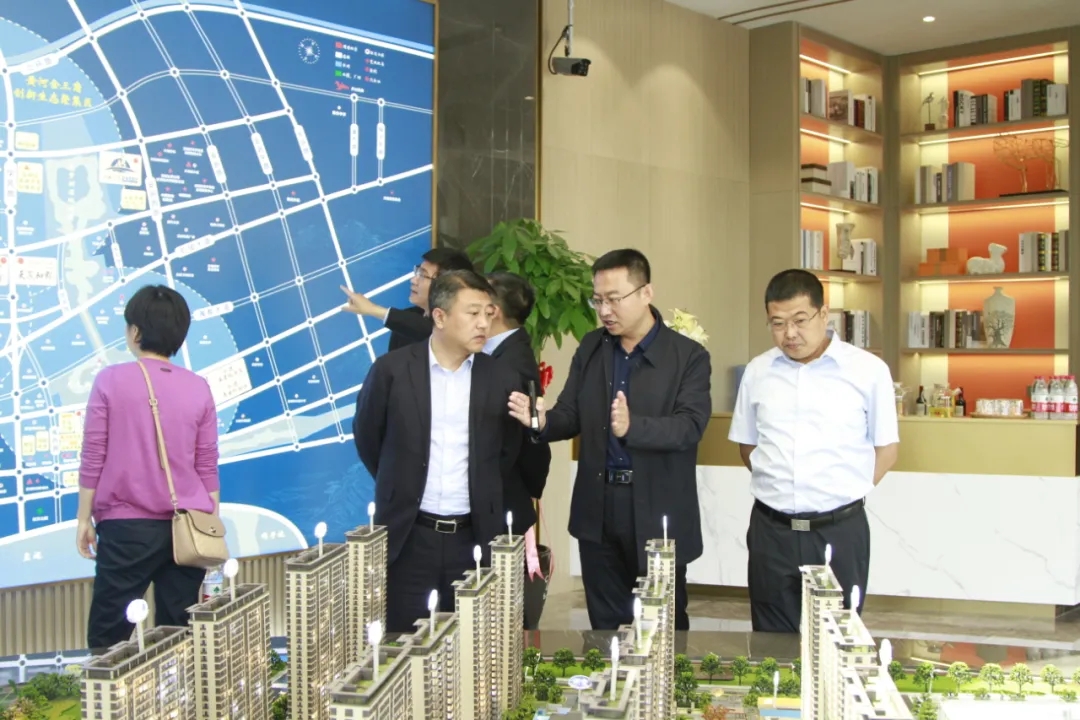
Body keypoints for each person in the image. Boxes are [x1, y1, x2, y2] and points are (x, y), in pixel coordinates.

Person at [507, 249, 712, 631]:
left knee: (662, 627)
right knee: (604, 626)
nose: (604, 310)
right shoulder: (592, 348)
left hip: (657, 510)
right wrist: (541, 421)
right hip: (599, 507)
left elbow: (690, 426)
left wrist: (634, 428)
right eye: (597, 300)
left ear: (646, 292)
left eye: (614, 299)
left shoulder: (688, 356)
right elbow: (570, 414)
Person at [353, 269, 528, 633]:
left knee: (473, 645)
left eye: (488, 313)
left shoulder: (501, 378)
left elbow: (507, 450)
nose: (484, 323)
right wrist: (398, 482)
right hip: (409, 536)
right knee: (404, 644)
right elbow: (369, 438)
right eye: (473, 313)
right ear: (440, 316)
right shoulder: (391, 371)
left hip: (474, 537)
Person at [728, 269, 899, 633]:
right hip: (771, 530)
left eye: (800, 320)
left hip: (839, 530)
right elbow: (748, 445)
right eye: (777, 323)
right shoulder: (758, 372)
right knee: (771, 643)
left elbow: (886, 449)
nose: (789, 333)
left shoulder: (868, 371)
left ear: (824, 314)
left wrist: (842, 492)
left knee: (837, 641)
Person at [76, 284, 220, 652]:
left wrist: (83, 519)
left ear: (135, 332)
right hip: (188, 526)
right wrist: (209, 523)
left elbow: (94, 454)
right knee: (178, 637)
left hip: (126, 529)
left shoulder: (110, 380)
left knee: (109, 639)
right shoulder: (199, 387)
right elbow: (207, 463)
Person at [483, 272, 551, 536]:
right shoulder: (503, 351)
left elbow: (516, 438)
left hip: (502, 499)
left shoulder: (513, 363)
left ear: (494, 311)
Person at [341, 247, 474, 351]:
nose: (414, 280)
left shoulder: (461, 326)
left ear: (446, 285)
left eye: (423, 275)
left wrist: (373, 309)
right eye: (418, 271)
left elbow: (431, 331)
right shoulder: (407, 318)